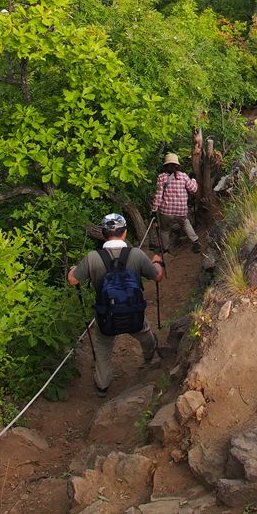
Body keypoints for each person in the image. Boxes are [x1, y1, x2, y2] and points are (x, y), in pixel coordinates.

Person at [67, 213, 165, 396]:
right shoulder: (136, 254)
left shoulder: (92, 257)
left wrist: (73, 269)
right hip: (133, 311)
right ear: (125, 233)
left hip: (106, 315)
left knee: (103, 348)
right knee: (144, 333)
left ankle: (102, 385)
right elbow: (157, 276)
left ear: (103, 234)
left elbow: (73, 280)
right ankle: (149, 356)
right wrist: (157, 262)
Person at [152, 152, 200, 253]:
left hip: (166, 211)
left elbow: (158, 195)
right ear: (177, 165)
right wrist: (193, 179)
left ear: (165, 166)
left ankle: (165, 249)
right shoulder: (183, 176)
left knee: (164, 230)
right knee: (185, 223)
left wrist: (153, 210)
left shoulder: (161, 177)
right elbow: (193, 189)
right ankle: (195, 241)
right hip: (181, 211)